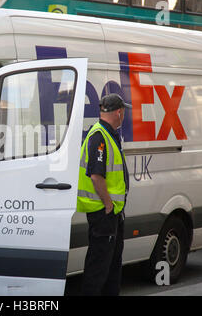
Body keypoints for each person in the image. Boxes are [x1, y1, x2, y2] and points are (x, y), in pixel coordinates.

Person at [77, 93, 131, 296]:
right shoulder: (99, 136)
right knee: (98, 269)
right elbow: (96, 176)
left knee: (112, 268)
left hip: (112, 214)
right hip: (103, 214)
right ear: (119, 112)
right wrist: (109, 205)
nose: (124, 114)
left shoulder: (106, 134)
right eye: (123, 111)